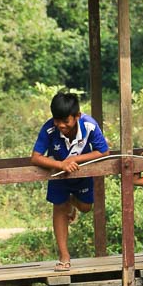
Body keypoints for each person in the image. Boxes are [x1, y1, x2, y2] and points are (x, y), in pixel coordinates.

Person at [30, 90, 110, 270]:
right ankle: (64, 256)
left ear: (77, 116)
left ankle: (72, 201)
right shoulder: (49, 128)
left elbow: (104, 152)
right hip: (58, 175)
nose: (61, 125)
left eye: (65, 121)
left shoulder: (89, 125)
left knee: (86, 207)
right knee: (59, 207)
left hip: (81, 175)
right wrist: (60, 164)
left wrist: (74, 160)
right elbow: (35, 157)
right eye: (57, 120)